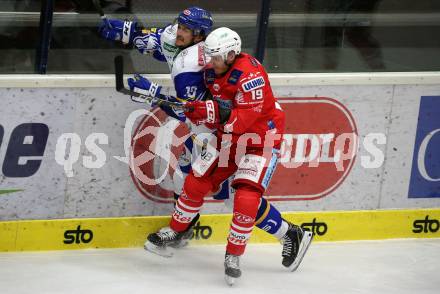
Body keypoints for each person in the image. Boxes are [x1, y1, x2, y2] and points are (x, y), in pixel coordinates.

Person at [145, 27, 313, 285]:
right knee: (195, 181)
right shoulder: (213, 69)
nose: (211, 63)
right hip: (228, 136)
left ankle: (234, 255)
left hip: (259, 139)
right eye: (209, 57)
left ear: (232, 53)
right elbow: (199, 106)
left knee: (245, 199)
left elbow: (239, 122)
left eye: (216, 58)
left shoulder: (251, 77)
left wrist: (202, 109)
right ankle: (177, 232)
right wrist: (161, 97)